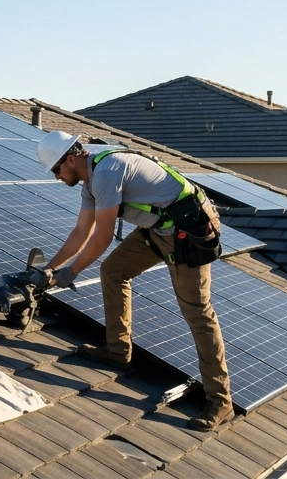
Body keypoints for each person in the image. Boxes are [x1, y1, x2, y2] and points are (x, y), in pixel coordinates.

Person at [33, 130, 235, 431]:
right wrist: (48, 270)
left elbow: (101, 238)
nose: (57, 178)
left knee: (198, 312)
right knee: (113, 271)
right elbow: (81, 232)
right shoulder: (90, 182)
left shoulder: (106, 174)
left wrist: (70, 273)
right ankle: (118, 349)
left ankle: (221, 401)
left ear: (71, 159)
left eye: (56, 171)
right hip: (158, 228)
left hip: (187, 230)